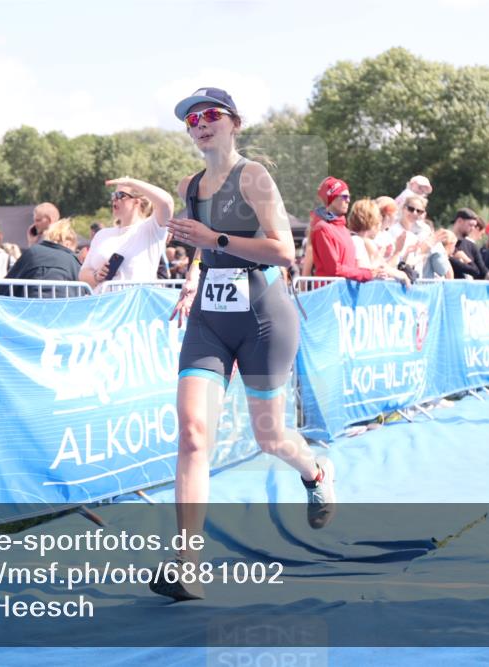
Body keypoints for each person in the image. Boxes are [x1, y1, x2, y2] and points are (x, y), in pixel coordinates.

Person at [154, 87, 335, 601]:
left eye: (210, 115)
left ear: (232, 122)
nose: (200, 124)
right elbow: (198, 241)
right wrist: (195, 271)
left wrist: (216, 243)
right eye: (192, 119)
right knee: (192, 434)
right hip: (210, 318)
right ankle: (188, 562)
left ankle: (316, 469)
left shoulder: (252, 175)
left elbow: (283, 250)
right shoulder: (191, 184)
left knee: (270, 437)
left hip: (263, 315)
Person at [79, 177, 173, 292]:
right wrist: (96, 276)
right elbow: (83, 274)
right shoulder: (102, 235)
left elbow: (166, 202)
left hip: (135, 306)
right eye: (113, 195)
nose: (114, 199)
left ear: (137, 201)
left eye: (120, 195)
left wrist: (130, 182)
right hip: (102, 304)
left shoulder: (151, 229)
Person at [309, 176, 383, 281]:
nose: (348, 200)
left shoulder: (343, 228)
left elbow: (351, 266)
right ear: (332, 198)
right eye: (344, 197)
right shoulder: (322, 228)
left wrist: (374, 271)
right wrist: (367, 274)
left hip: (344, 291)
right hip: (329, 292)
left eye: (349, 197)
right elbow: (334, 269)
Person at [0, 219, 81, 297]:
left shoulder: (33, 252)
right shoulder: (73, 261)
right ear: (68, 244)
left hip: (31, 308)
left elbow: (5, 287)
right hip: (63, 309)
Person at [347, 198, 411, 284]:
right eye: (378, 221)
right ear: (371, 221)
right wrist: (378, 262)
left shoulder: (356, 239)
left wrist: (401, 275)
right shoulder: (357, 240)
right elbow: (363, 271)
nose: (379, 225)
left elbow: (383, 267)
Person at [449, 208, 489, 280]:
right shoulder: (445, 242)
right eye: (470, 225)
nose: (473, 228)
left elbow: (482, 270)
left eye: (474, 226)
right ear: (459, 221)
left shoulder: (471, 246)